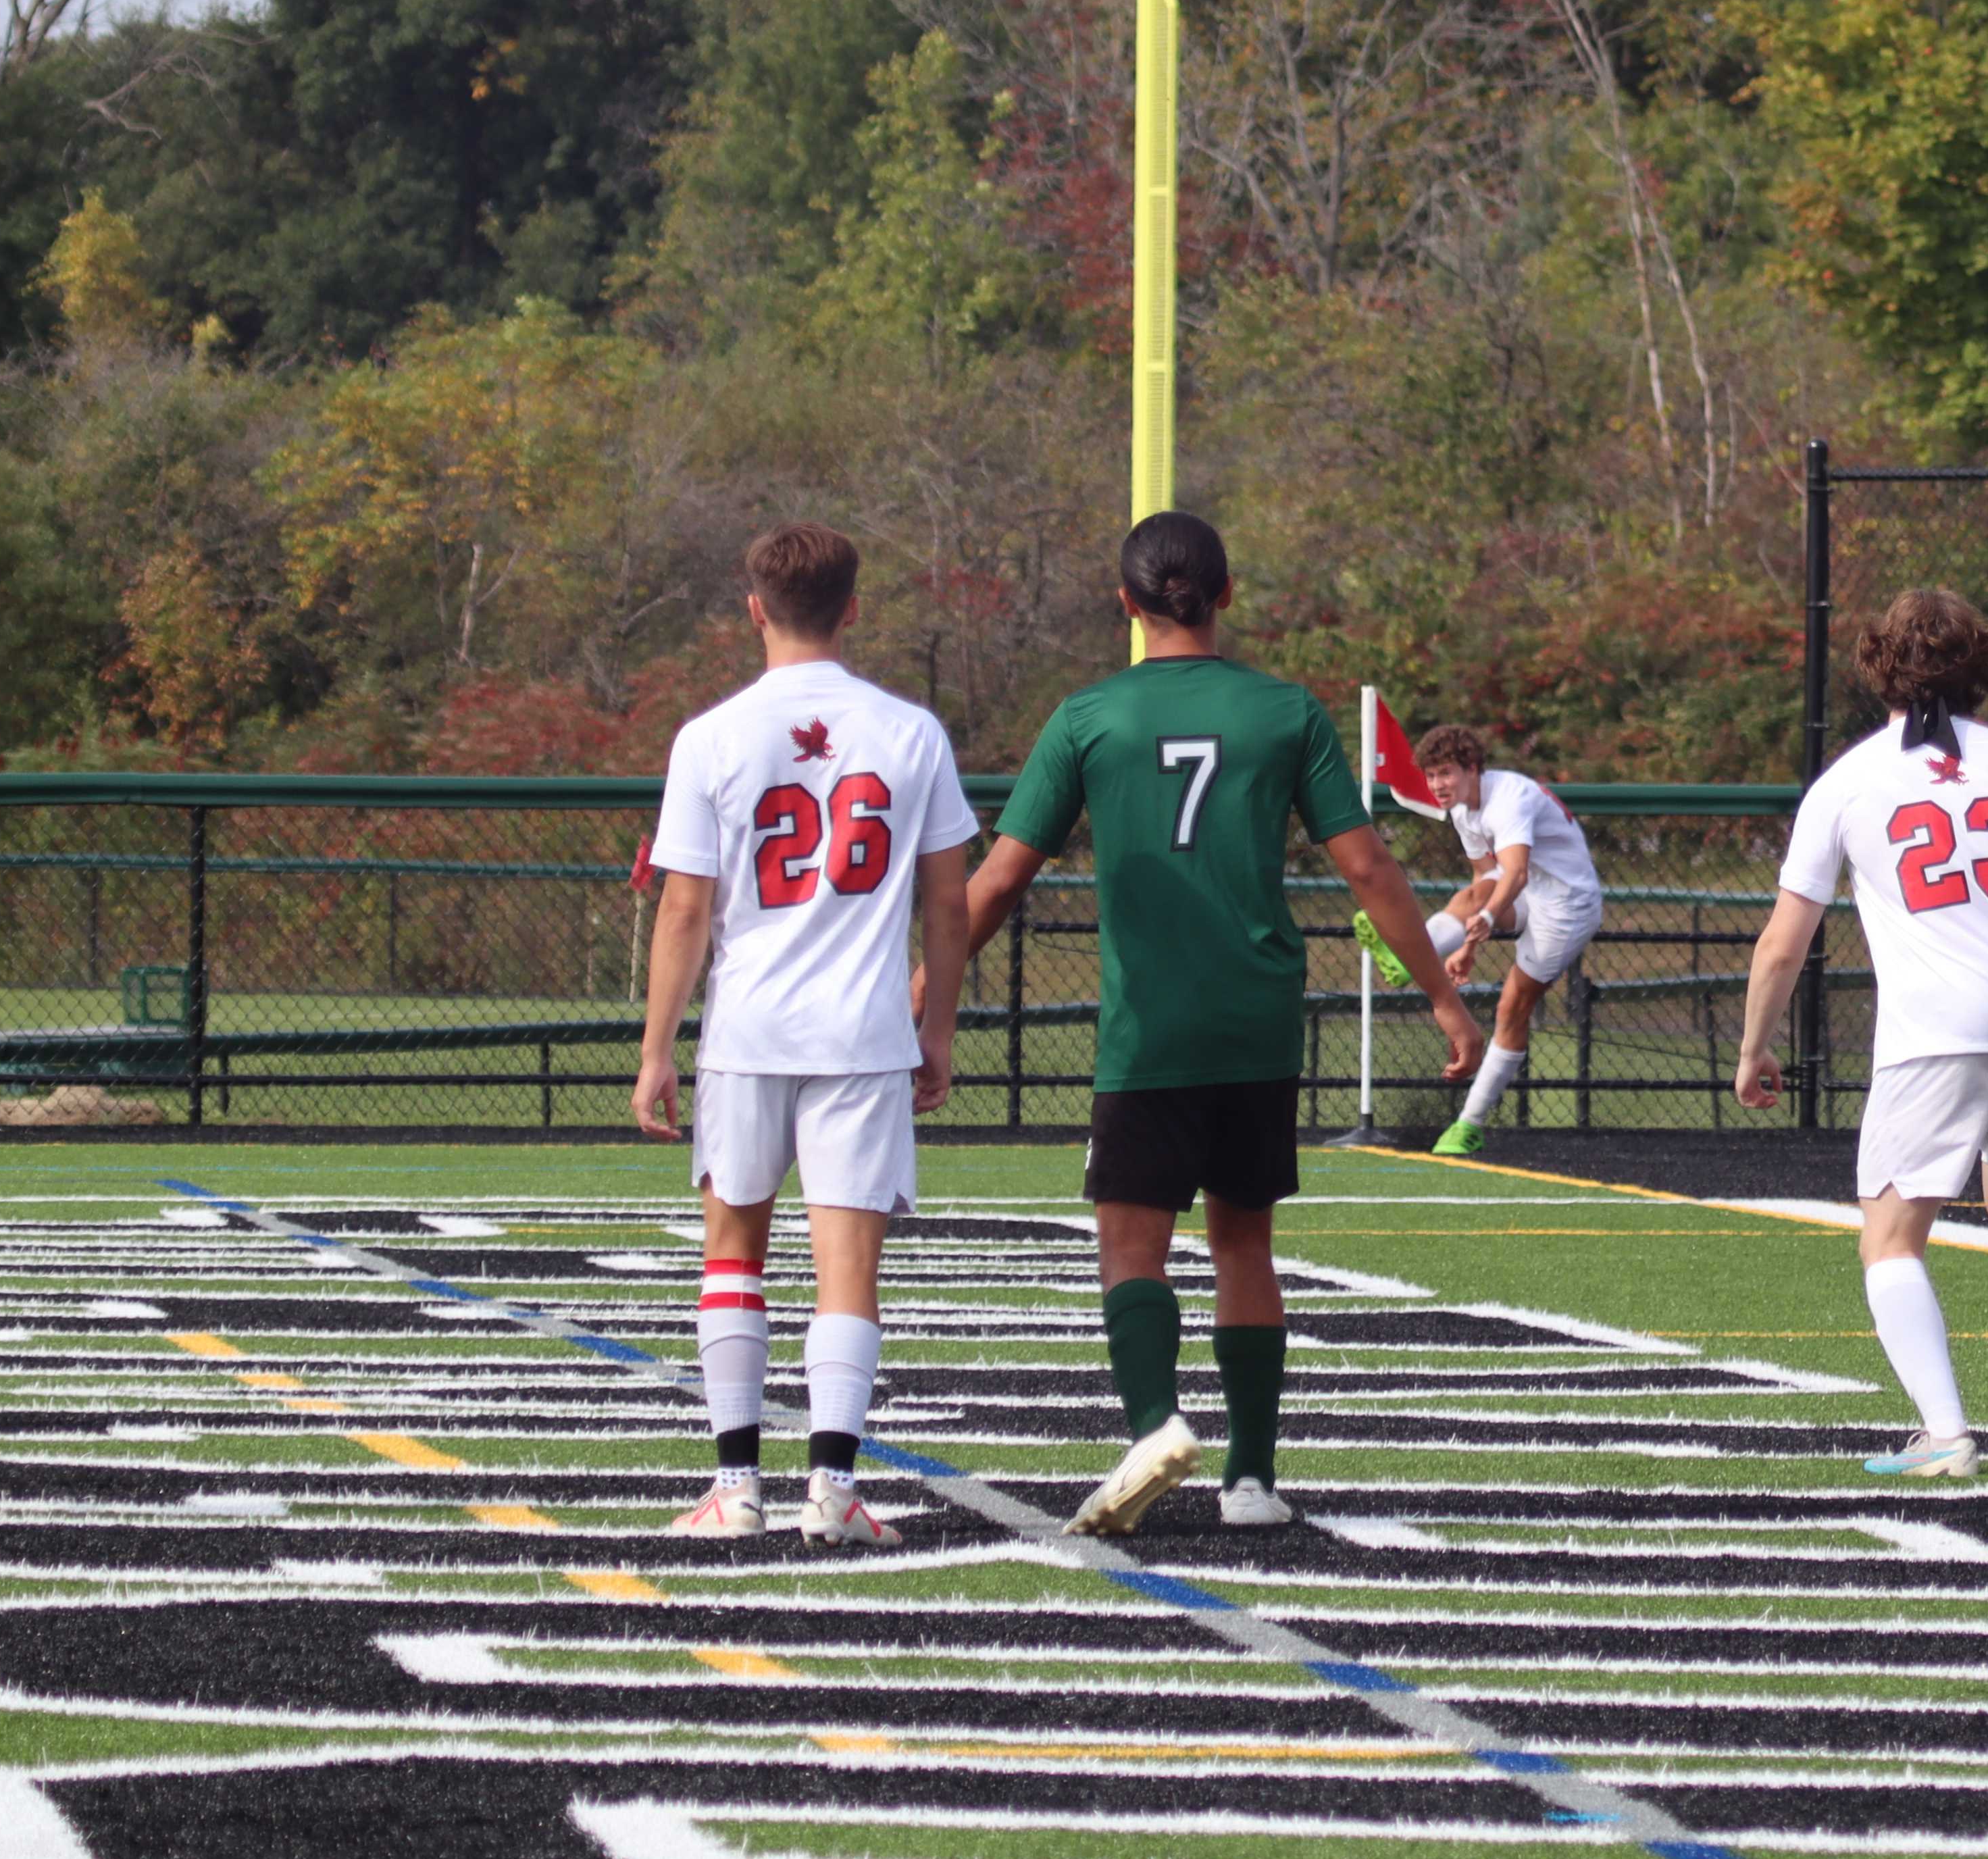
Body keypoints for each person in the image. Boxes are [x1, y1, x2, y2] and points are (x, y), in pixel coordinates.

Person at [958, 513, 1483, 1535]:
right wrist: (1443, 997)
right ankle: (1251, 1479)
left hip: (1149, 1022)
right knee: (1244, 1241)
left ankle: (1156, 1423)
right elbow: (1368, 866)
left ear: (1127, 604)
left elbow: (1002, 877)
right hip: (1256, 1016)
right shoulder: (1285, 711)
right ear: (1227, 594)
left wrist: (923, 991)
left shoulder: (1088, 716)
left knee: (1131, 1245)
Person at [1732, 587, 1988, 1479]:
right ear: (1981, 668)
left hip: (1937, 1030)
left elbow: (1784, 942)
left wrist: (1754, 1046)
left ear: (1880, 667)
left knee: (1890, 1237)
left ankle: (1946, 1433)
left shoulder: (1848, 782)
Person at [634, 524, 975, 1548]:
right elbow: (948, 902)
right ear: (853, 608)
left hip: (748, 1031)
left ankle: (736, 1489)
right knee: (848, 1271)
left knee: (733, 1255)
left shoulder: (711, 735)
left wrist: (656, 1049)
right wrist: (938, 1029)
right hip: (864, 1035)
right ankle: (832, 1492)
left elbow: (685, 908)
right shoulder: (912, 732)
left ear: (754, 609)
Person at [1354, 724, 1604, 1158]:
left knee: (1512, 1007)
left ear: (1472, 769)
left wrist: (1487, 918)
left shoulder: (1509, 799)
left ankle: (1469, 1124)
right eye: (1431, 776)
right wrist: (1468, 943)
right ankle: (1408, 952)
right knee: (1471, 895)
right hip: (1528, 891)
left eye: (1446, 774)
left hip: (1567, 906)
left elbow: (1516, 872)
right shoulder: (1461, 809)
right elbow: (1487, 879)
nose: (1437, 785)